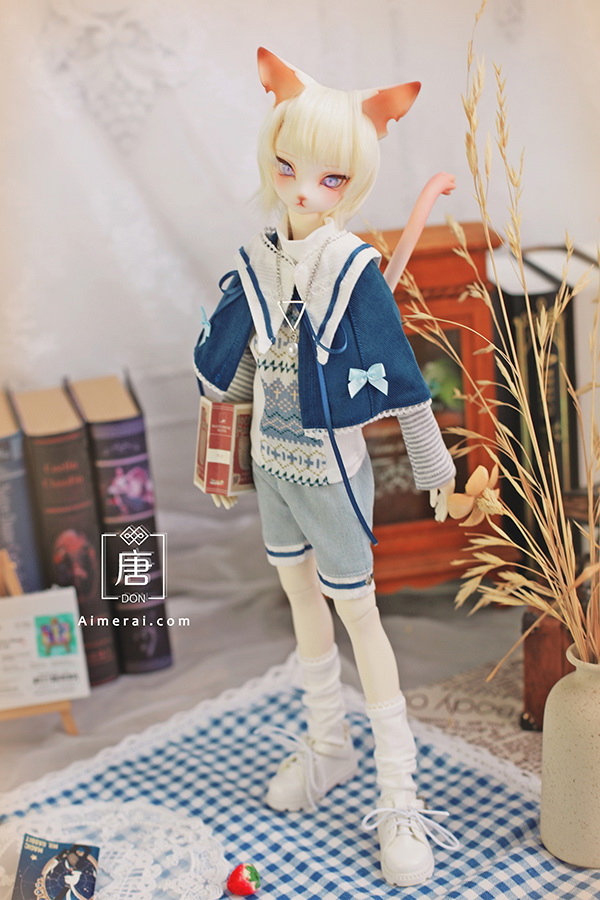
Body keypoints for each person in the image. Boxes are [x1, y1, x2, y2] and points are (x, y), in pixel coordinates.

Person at [195, 47, 460, 887]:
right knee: (300, 601)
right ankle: (327, 742)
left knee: (360, 617)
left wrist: (435, 467)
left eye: (329, 178)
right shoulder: (261, 258)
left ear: (352, 181)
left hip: (332, 474)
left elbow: (403, 376)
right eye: (288, 167)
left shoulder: (351, 270)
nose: (304, 189)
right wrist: (219, 454)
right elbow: (240, 363)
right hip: (273, 468)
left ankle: (398, 790)